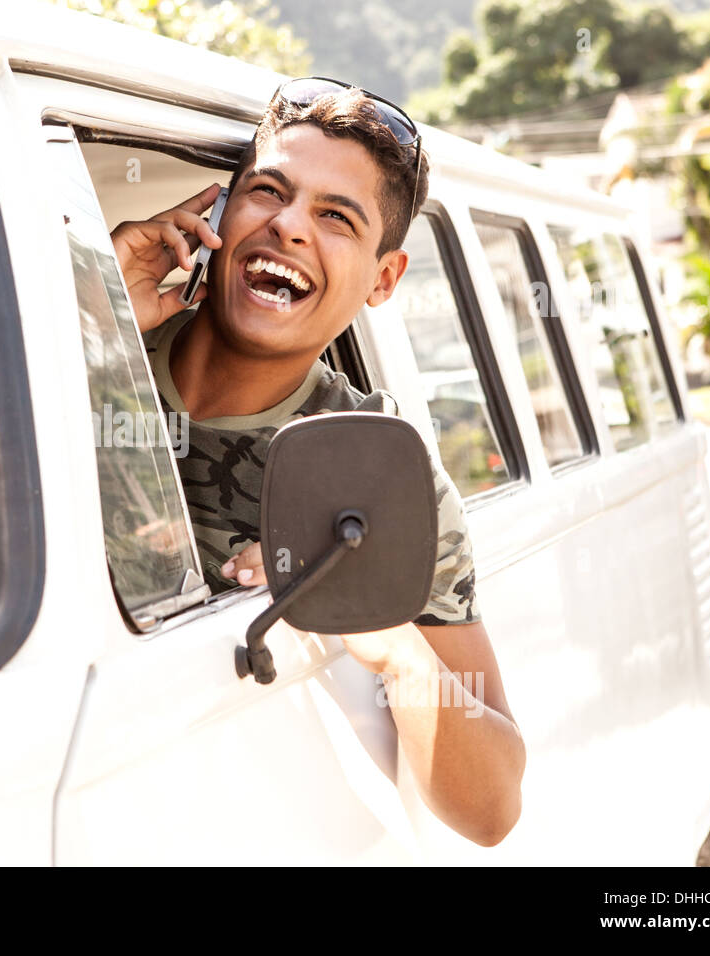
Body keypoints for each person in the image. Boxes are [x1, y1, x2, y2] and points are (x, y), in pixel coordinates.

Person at [110, 78, 525, 847]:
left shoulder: (381, 473)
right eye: (267, 192)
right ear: (220, 217)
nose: (289, 226)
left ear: (383, 279)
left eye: (336, 217)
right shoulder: (87, 344)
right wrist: (89, 316)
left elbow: (492, 808)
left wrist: (392, 642)